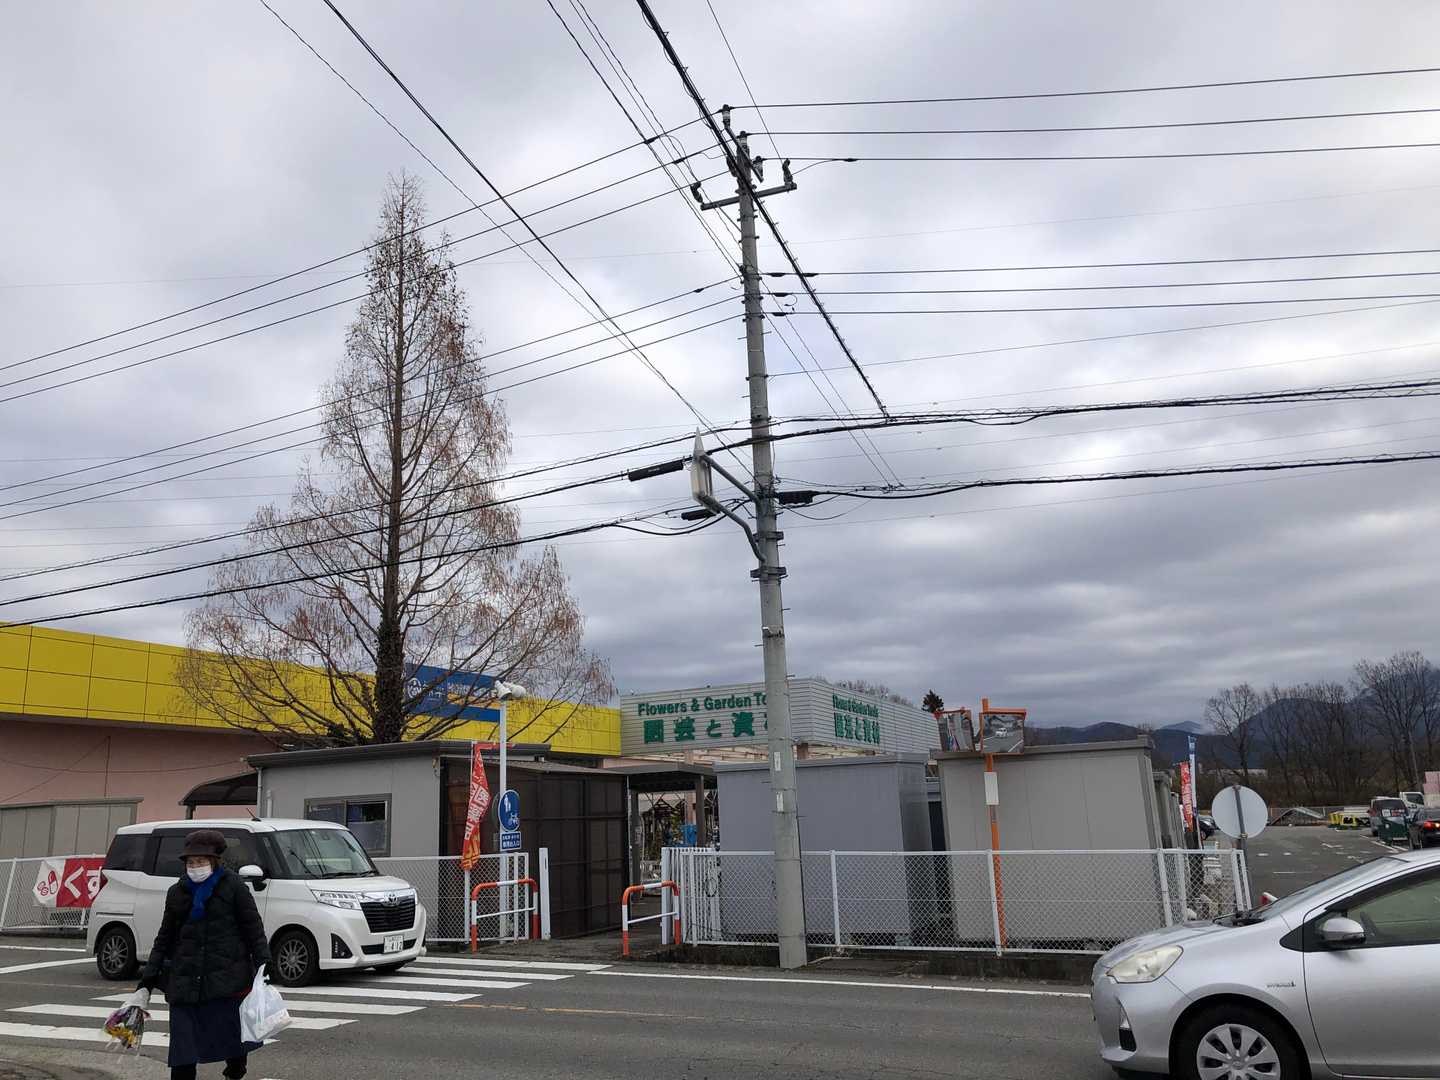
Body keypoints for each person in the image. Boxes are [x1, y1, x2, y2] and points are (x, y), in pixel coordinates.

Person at [138, 829, 271, 1080]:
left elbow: (253, 928)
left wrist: (264, 964)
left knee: (233, 1043)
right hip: (185, 982)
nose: (195, 866)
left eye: (200, 861)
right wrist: (147, 981)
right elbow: (164, 938)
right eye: (190, 862)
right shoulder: (177, 892)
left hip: (226, 979)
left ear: (214, 861)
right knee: (183, 1053)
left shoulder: (234, 887)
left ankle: (235, 1070)